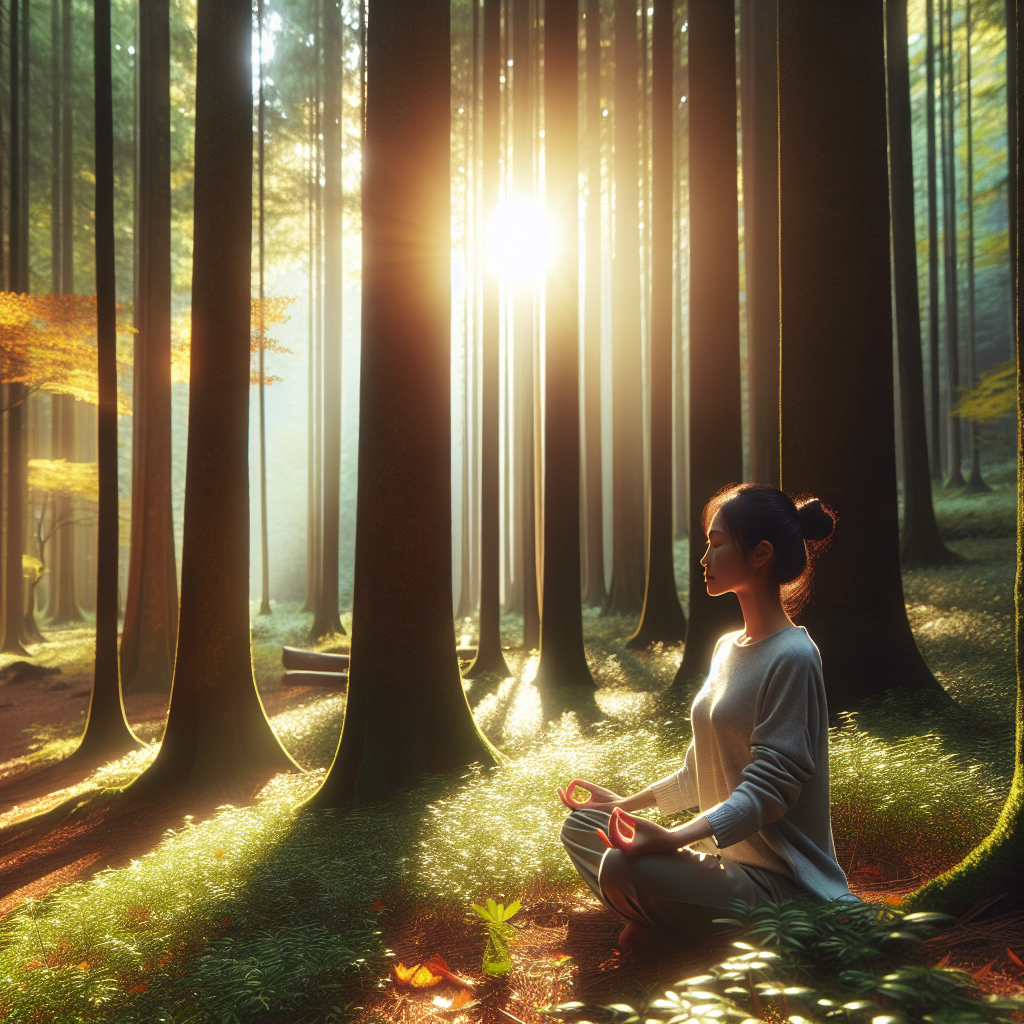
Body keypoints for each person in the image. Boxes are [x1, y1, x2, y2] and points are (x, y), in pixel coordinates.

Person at [557, 483, 858, 952]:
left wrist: (673, 839)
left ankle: (689, 927)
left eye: (716, 544)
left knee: (617, 867)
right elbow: (700, 770)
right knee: (582, 827)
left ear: (760, 554)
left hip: (777, 883)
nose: (703, 558)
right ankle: (672, 922)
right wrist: (623, 805)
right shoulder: (725, 649)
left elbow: (770, 792)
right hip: (719, 861)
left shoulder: (794, 657)